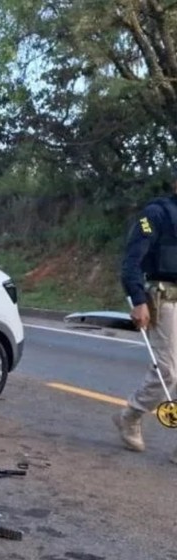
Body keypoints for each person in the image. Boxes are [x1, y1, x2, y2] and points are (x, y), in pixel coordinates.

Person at [118, 167, 177, 465]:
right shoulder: (154, 214)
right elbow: (131, 261)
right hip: (164, 299)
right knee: (167, 371)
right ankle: (131, 414)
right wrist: (138, 300)